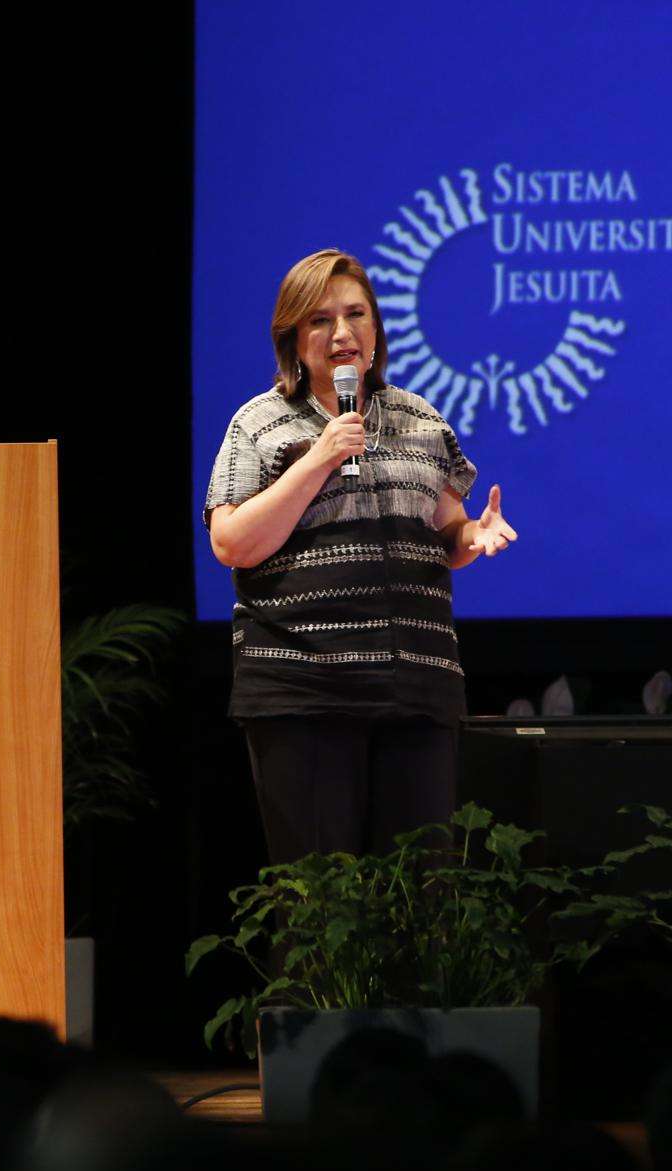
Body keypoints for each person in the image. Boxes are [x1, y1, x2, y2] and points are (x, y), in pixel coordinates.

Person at [205, 248, 517, 862]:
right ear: (294, 338)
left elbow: (444, 530)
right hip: (304, 691)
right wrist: (321, 457)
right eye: (321, 320)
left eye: (357, 315)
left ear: (376, 330)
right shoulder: (259, 424)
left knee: (420, 898)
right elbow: (233, 543)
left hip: (416, 690)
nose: (342, 334)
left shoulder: (420, 419)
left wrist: (470, 535)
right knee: (322, 912)